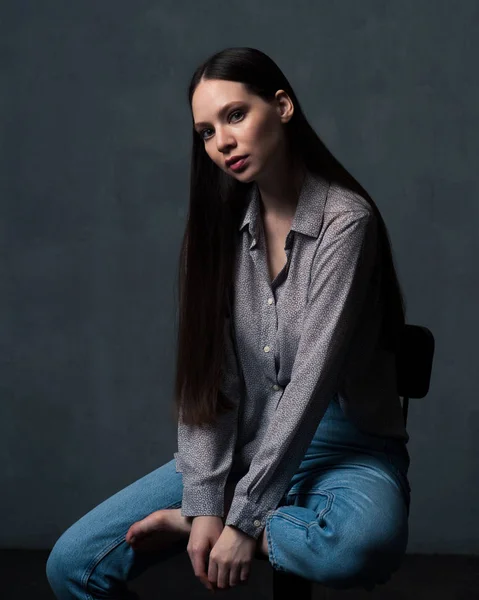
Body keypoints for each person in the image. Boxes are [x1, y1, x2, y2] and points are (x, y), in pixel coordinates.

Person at [46, 47, 411, 598]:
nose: (222, 142)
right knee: (72, 563)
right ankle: (216, 521)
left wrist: (242, 522)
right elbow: (210, 384)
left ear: (282, 106)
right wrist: (203, 498)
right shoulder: (214, 235)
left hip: (345, 450)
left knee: (359, 547)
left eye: (235, 115)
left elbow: (310, 383)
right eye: (206, 132)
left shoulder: (345, 221)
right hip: (241, 446)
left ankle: (229, 529)